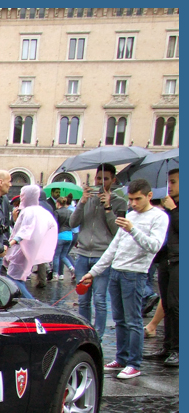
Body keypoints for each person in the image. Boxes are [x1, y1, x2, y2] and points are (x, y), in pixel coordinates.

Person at [79, 178, 169, 381]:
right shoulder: (131, 214)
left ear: (149, 196)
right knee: (119, 319)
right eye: (131, 199)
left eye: (138, 199)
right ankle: (121, 358)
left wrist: (132, 229)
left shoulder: (159, 217)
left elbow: (154, 246)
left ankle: (134, 363)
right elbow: (114, 247)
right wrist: (94, 272)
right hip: (117, 271)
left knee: (133, 320)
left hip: (135, 273)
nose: (134, 204)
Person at [70, 163, 127, 337]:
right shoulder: (87, 200)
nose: (101, 182)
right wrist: (82, 203)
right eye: (99, 178)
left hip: (103, 256)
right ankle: (84, 332)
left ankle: (98, 335)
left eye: (106, 179)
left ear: (113, 180)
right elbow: (72, 223)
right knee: (83, 299)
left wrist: (108, 208)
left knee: (100, 299)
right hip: (83, 255)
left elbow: (118, 231)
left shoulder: (119, 202)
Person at [144, 169, 178, 366]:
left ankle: (177, 349)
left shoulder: (176, 208)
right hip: (166, 259)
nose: (170, 186)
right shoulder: (169, 208)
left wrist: (173, 211)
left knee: (175, 305)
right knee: (166, 303)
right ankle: (168, 346)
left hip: (179, 260)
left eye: (173, 182)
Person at [4, 184, 58, 297]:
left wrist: (10, 243)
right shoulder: (42, 211)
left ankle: (32, 304)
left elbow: (25, 230)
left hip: (21, 250)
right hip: (29, 250)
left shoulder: (28, 211)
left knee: (13, 280)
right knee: (19, 279)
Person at [52, 196, 75, 281]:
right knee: (63, 256)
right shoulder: (70, 212)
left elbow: (55, 224)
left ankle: (55, 274)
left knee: (56, 256)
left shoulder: (57, 212)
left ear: (58, 203)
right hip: (69, 236)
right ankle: (71, 268)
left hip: (60, 235)